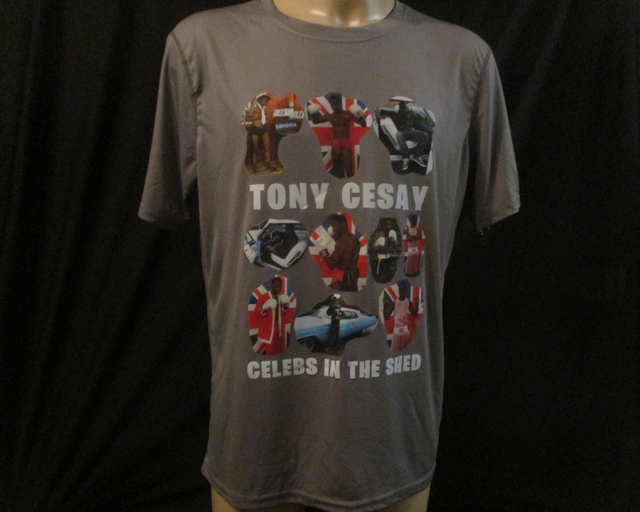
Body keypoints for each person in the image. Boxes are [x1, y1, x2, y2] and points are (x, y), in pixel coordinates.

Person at [310, 94, 367, 177]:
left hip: (346, 141)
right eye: (332, 104)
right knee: (336, 167)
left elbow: (363, 124)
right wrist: (312, 113)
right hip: (335, 142)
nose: (334, 105)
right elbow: (316, 121)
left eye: (336, 103)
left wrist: (360, 116)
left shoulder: (348, 114)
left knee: (348, 168)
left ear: (339, 103)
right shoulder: (330, 116)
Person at [322, 215, 361, 291]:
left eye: (335, 225)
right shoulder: (354, 238)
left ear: (343, 225)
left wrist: (322, 249)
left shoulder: (342, 242)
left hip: (342, 280)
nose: (333, 229)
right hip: (352, 278)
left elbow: (331, 264)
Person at [254, 276, 290, 355]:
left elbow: (282, 313)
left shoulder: (280, 297)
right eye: (276, 286)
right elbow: (257, 314)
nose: (278, 288)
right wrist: (264, 308)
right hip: (268, 328)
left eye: (280, 286)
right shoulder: (263, 297)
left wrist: (285, 306)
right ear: (272, 285)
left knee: (279, 350)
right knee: (270, 351)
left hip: (278, 327)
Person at [394, 99, 432, 171]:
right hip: (402, 132)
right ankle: (406, 158)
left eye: (406, 106)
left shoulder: (412, 113)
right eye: (403, 106)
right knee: (399, 134)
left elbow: (420, 118)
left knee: (425, 135)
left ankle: (417, 155)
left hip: (411, 132)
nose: (405, 108)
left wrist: (426, 119)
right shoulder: (397, 115)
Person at [383, 279, 419, 352]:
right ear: (399, 290)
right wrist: (384, 306)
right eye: (401, 290)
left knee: (407, 351)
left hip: (405, 332)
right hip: (397, 332)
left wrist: (417, 304)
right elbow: (386, 317)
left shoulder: (408, 302)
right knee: (396, 352)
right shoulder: (394, 303)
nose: (402, 291)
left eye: (403, 289)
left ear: (405, 290)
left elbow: (414, 314)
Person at [245, 93, 274, 173]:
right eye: (263, 100)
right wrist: (257, 117)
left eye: (266, 100)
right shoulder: (255, 107)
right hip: (256, 129)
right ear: (260, 100)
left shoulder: (264, 108)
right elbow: (247, 118)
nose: (265, 101)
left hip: (264, 129)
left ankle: (268, 164)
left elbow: (266, 117)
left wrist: (266, 116)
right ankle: (255, 166)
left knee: (267, 147)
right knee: (256, 148)